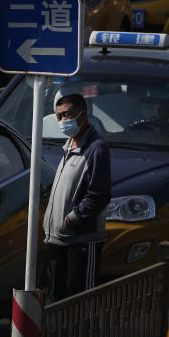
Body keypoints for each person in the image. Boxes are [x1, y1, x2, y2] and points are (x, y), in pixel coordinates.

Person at [43, 93, 112, 300]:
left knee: (80, 301)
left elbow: (99, 195)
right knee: (60, 299)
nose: (63, 121)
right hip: (60, 241)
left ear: (82, 115)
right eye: (59, 116)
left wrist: (71, 220)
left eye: (67, 115)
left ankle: (82, 334)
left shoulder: (96, 148)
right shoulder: (69, 146)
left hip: (82, 241)